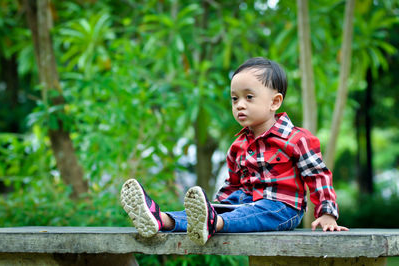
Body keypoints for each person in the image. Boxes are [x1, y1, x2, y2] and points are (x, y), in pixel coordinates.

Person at [120, 57, 348, 246]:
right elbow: (233, 185)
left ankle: (214, 223)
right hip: (244, 202)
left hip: (282, 209)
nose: (240, 104)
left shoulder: (296, 139)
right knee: (228, 209)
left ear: (275, 102)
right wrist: (213, 206)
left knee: (250, 212)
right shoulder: (238, 147)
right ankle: (162, 220)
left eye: (249, 97)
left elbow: (318, 176)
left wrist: (326, 212)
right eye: (235, 98)